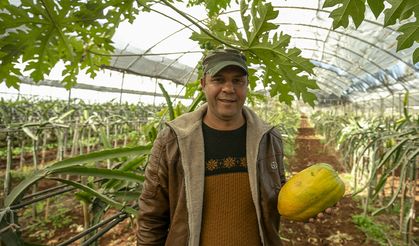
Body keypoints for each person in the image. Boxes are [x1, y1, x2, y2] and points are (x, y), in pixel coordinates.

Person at [136, 48, 286, 245]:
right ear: (203, 84)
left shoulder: (269, 139)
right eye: (218, 79)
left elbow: (281, 198)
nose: (229, 88)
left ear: (247, 86)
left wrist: (312, 203)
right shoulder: (173, 141)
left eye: (237, 81)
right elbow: (151, 215)